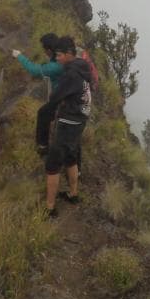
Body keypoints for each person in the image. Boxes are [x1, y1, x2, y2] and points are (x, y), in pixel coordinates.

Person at [36, 36, 92, 218]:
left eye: (59, 55)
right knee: (71, 157)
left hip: (69, 122)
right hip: (81, 119)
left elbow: (55, 98)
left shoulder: (70, 75)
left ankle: (49, 208)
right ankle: (73, 194)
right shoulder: (81, 67)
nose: (57, 58)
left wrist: (51, 113)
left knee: (52, 164)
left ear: (69, 53)